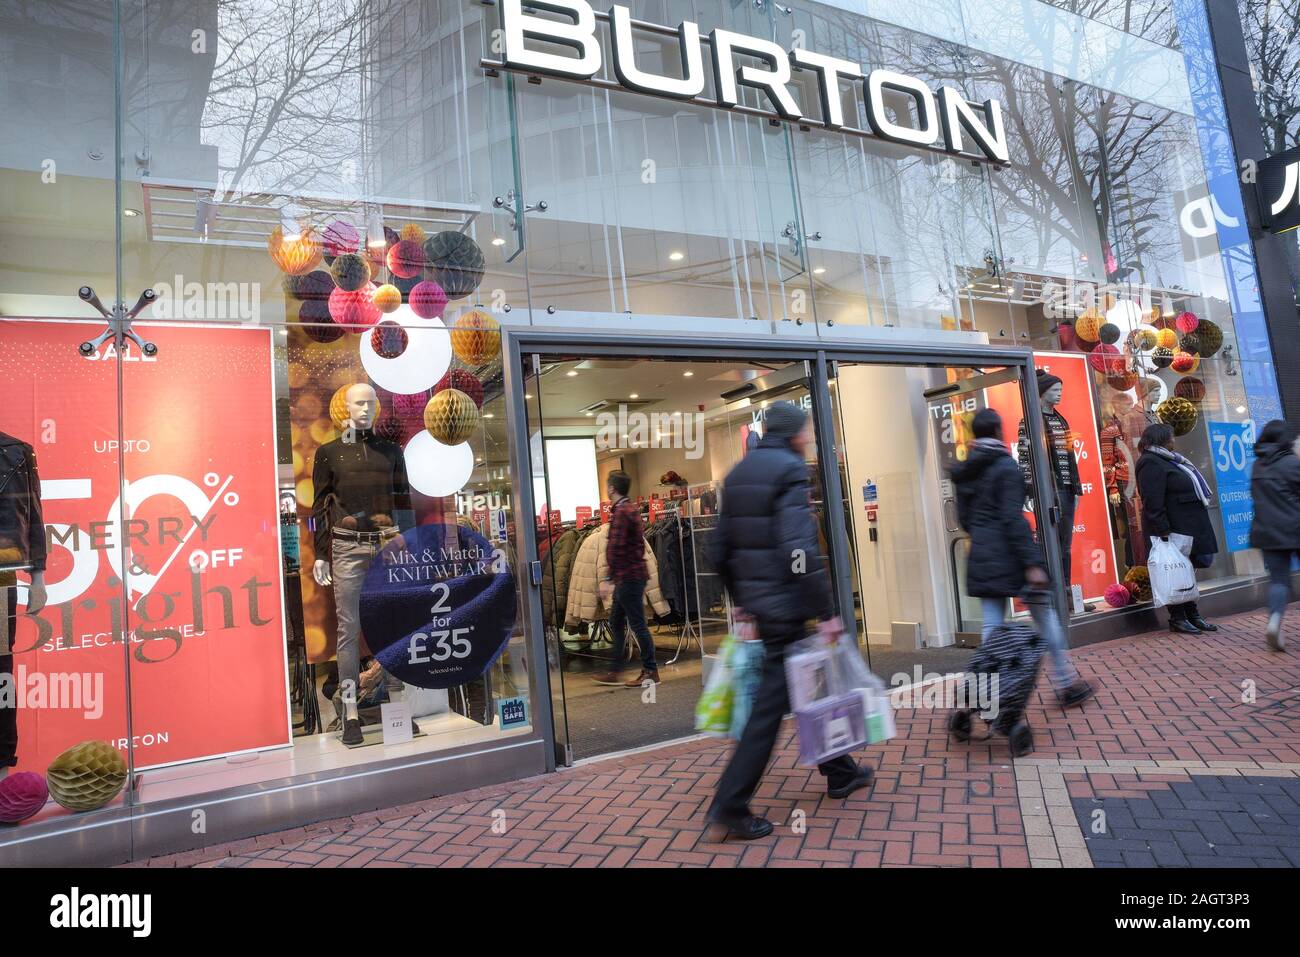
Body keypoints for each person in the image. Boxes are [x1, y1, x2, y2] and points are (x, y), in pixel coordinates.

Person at [706, 401, 874, 840]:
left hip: (763, 605)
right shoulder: (789, 470)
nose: (810, 437)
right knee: (768, 712)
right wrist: (826, 611)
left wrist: (742, 599)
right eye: (808, 431)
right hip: (787, 606)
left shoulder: (739, 474)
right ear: (795, 433)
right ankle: (730, 805)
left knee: (809, 688)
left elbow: (718, 548)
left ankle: (840, 770)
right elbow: (799, 549)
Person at [952, 408, 1093, 708]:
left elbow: (964, 519)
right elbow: (1013, 519)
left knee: (991, 626)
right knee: (1045, 618)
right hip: (1013, 554)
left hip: (983, 553)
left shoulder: (966, 472)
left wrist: (983, 533)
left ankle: (983, 694)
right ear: (999, 432)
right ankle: (1066, 682)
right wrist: (1032, 563)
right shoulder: (1006, 467)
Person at [1135, 422, 1219, 634]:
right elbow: (1152, 499)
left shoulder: (1169, 459)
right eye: (1171, 436)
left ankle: (1192, 614)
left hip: (1185, 525)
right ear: (1161, 438)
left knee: (1187, 570)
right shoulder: (1150, 462)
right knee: (1173, 572)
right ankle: (1177, 617)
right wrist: (1163, 530)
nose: (1174, 440)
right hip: (1170, 529)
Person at [592, 470, 660, 687]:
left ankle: (650, 670)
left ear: (612, 488)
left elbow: (617, 547)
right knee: (616, 621)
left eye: (607, 485)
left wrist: (608, 578)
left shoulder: (622, 512)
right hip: (629, 576)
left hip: (628, 577)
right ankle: (615, 670)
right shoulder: (628, 509)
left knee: (637, 624)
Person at [1249, 419, 1300, 652]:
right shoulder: (1292, 463)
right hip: (1295, 527)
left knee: (1279, 580)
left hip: (1266, 531)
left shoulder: (1258, 465)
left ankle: (1274, 621)